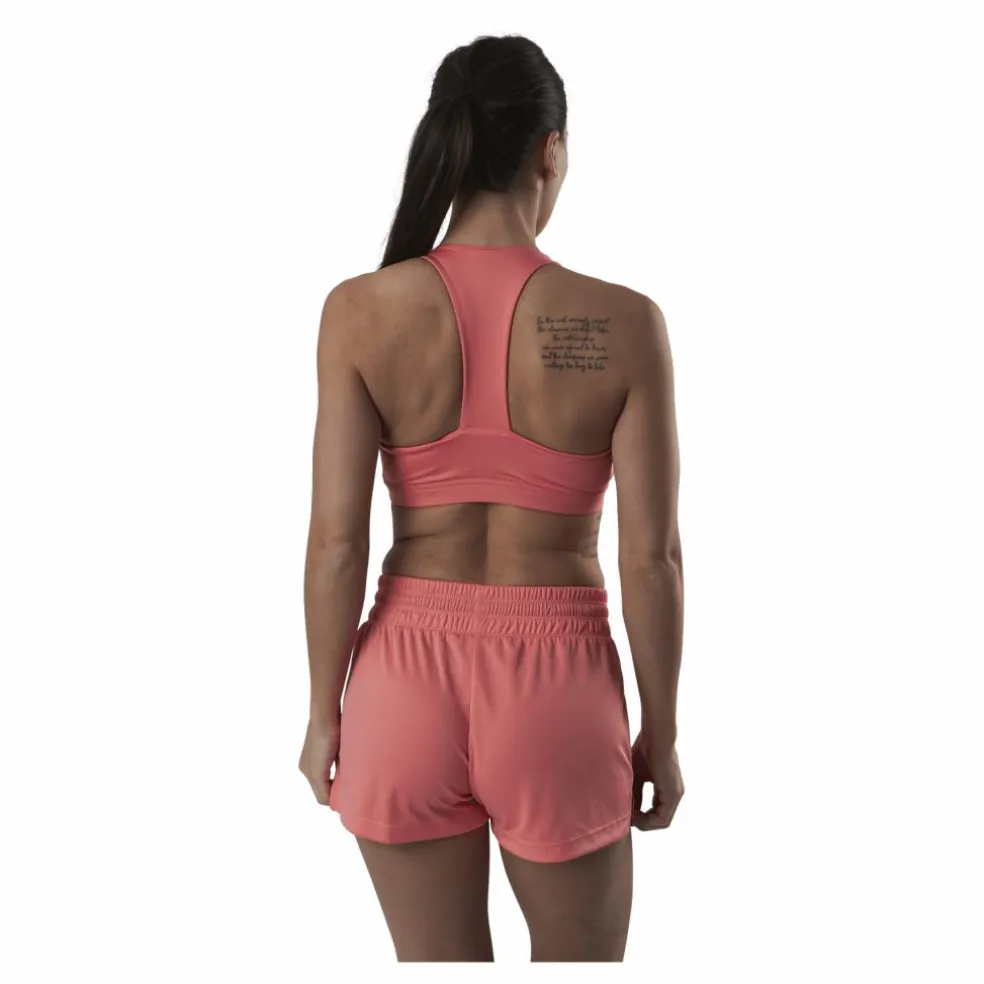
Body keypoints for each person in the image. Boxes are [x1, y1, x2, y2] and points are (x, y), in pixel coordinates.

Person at [298, 33, 684, 963]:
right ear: (551, 150)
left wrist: (322, 713)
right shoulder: (624, 323)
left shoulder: (359, 311)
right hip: (558, 688)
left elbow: (336, 547)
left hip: (401, 681)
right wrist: (662, 735)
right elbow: (651, 560)